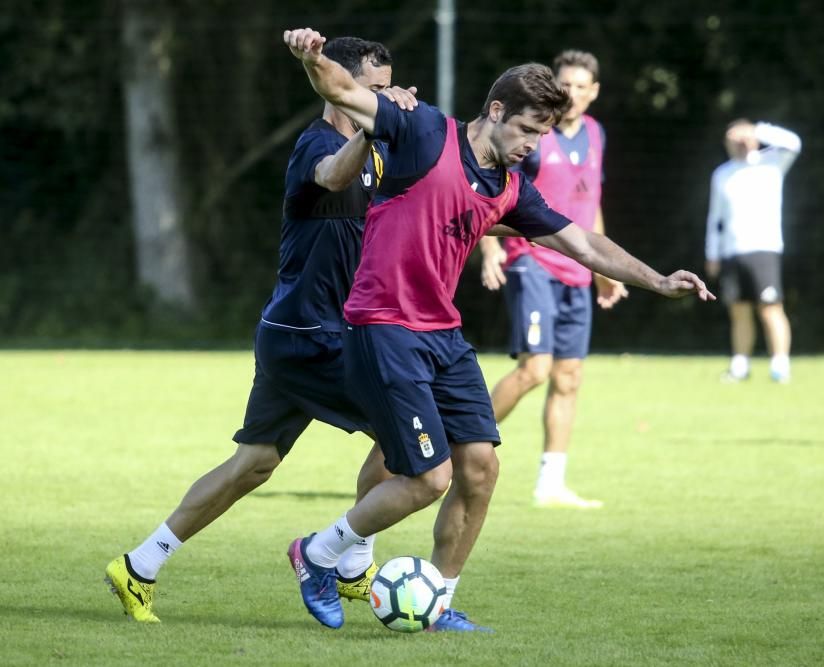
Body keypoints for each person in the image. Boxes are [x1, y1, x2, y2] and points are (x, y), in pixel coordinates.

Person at [283, 26, 714, 634]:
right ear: (495, 110)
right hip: (383, 325)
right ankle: (318, 553)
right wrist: (312, 55)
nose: (533, 145)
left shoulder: (509, 187)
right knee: (428, 478)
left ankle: (437, 599)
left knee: (480, 470)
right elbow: (344, 92)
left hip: (443, 334)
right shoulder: (423, 130)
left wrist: (658, 279)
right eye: (529, 129)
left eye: (542, 134)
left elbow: (583, 242)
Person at [104, 37, 420, 623]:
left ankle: (139, 565)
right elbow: (330, 175)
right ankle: (346, 563)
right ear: (340, 89)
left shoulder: (375, 154)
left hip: (294, 335)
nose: (382, 100)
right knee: (410, 437)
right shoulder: (318, 145)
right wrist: (374, 127)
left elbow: (414, 208)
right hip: (310, 337)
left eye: (385, 89)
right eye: (372, 90)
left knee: (253, 464)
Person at [478, 50, 627, 509]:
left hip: (577, 271)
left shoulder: (597, 134)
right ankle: (462, 446)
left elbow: (591, 202)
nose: (573, 94)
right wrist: (489, 248)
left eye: (582, 86)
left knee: (568, 376)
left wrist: (602, 267)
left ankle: (551, 483)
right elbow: (492, 191)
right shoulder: (534, 137)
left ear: (594, 92)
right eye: (566, 85)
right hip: (533, 261)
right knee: (535, 369)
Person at [704, 118, 801, 383]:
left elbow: (794, 143)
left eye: (741, 138)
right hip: (732, 251)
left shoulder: (772, 164)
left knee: (770, 307)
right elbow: (715, 218)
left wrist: (757, 131)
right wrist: (712, 253)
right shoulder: (722, 174)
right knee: (738, 310)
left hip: (764, 248)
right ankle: (740, 365)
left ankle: (780, 365)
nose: (737, 144)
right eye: (732, 139)